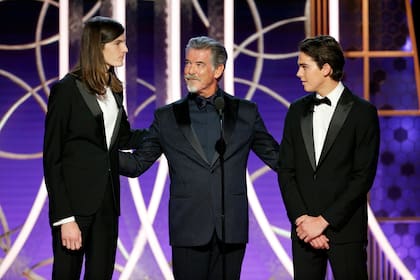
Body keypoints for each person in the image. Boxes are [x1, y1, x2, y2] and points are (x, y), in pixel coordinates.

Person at [119, 36, 279, 279]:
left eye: (199, 64)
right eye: (187, 63)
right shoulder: (167, 117)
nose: (190, 71)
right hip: (188, 229)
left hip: (230, 229)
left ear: (218, 69)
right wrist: (97, 154)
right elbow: (137, 164)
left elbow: (278, 159)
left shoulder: (246, 112)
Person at [43, 16, 145, 279]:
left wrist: (165, 132)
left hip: (107, 207)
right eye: (119, 43)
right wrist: (65, 219)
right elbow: (52, 159)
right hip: (75, 210)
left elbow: (122, 138)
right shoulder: (66, 90)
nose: (125, 49)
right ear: (98, 47)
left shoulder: (114, 91)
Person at [277, 35, 380, 280]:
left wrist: (323, 221)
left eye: (304, 66)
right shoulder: (296, 111)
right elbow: (286, 171)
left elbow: (362, 177)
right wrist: (303, 221)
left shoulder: (363, 112)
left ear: (326, 68)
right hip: (303, 233)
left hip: (345, 231)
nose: (298, 74)